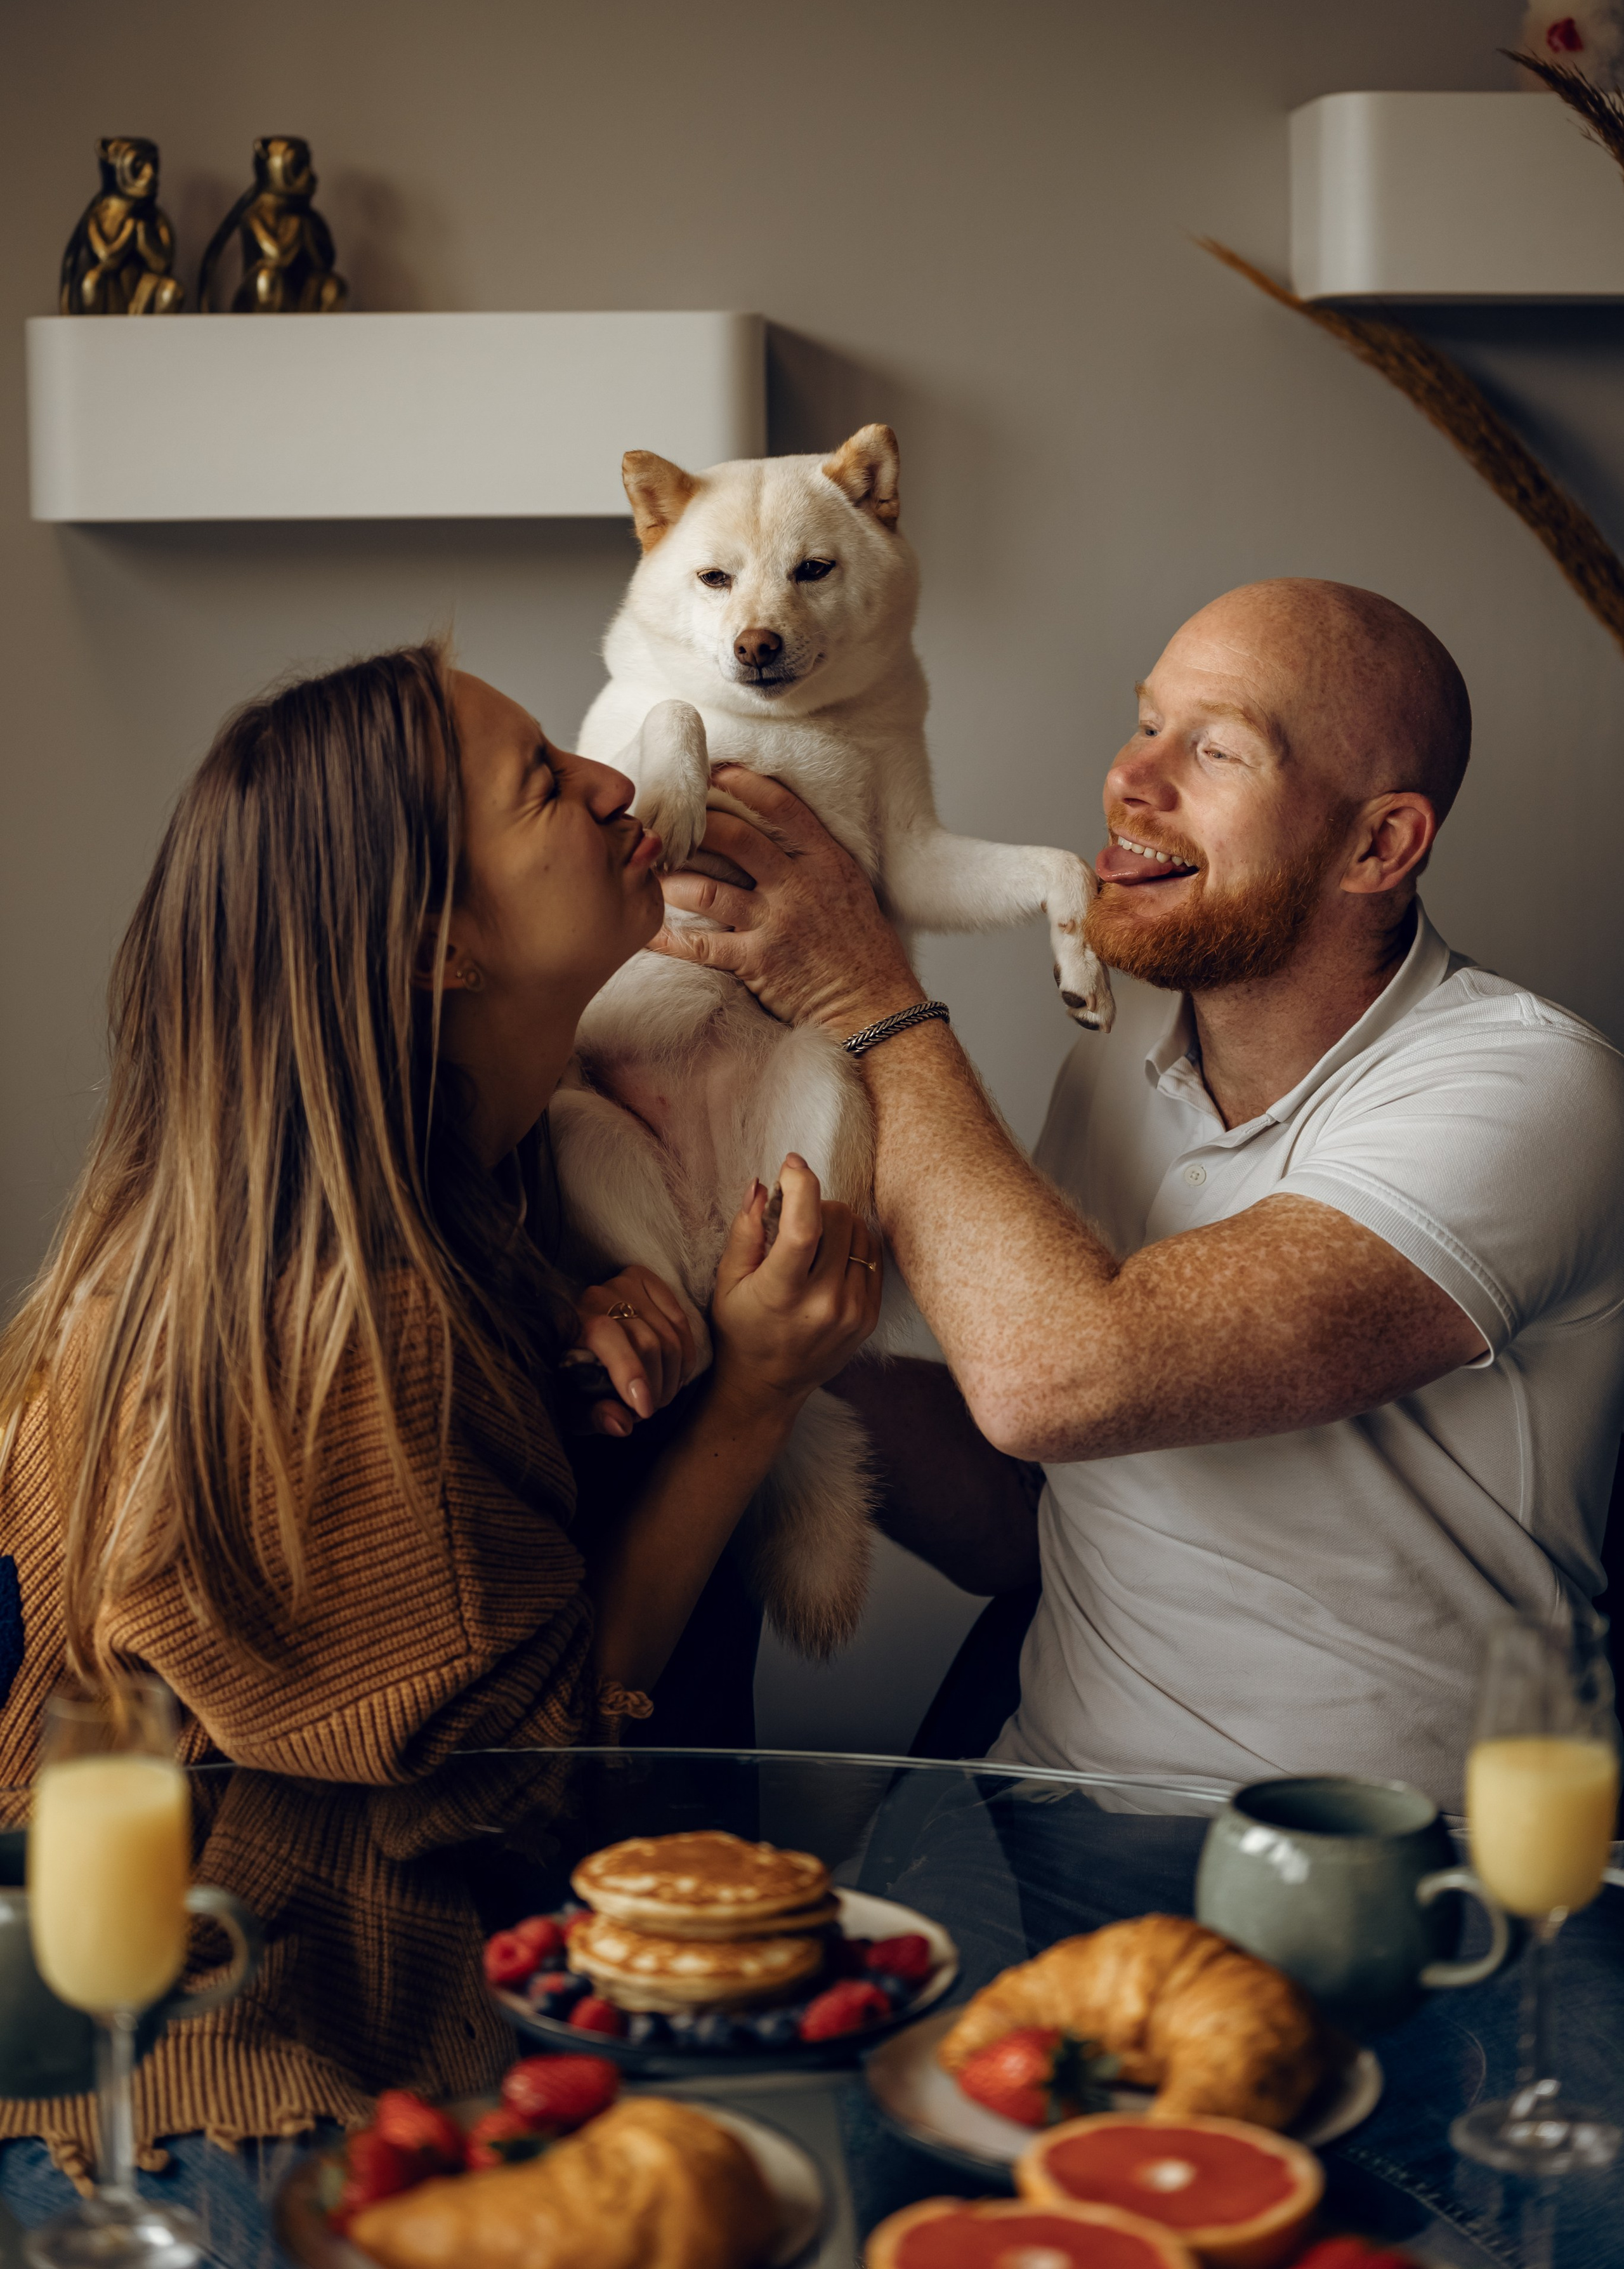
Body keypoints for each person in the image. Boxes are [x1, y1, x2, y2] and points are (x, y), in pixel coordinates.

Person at [651, 579, 1624, 1801]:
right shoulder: (1120, 1060)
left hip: (1394, 1865)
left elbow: (1063, 1380)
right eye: (1147, 722)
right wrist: (781, 1329)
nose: (1132, 779)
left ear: (1379, 846)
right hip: (1045, 1805)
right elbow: (1013, 1522)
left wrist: (865, 997)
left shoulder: (1532, 1089)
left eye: (1215, 750)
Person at [0, 641, 882, 1796]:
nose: (614, 784)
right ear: (435, 947)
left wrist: (561, 1322)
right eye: (547, 786)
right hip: (292, 1964)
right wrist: (750, 1400)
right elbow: (538, 1756)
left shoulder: (494, 1184)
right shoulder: (353, 1319)